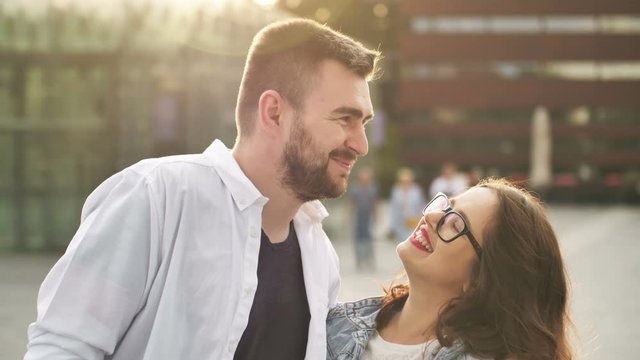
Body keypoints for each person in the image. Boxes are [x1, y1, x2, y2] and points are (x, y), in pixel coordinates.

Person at [25, 19, 380, 360]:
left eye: (363, 123)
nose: (361, 145)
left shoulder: (321, 257)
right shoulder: (155, 198)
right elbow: (62, 347)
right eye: (344, 118)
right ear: (274, 112)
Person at [327, 178, 573, 360]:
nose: (432, 217)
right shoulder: (334, 324)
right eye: (446, 206)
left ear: (482, 279)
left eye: (455, 224)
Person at [348, 166, 378, 271]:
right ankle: (359, 260)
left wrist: (376, 216)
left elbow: (374, 203)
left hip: (368, 215)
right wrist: (348, 216)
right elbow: (351, 203)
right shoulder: (355, 189)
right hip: (359, 215)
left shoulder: (372, 189)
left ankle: (369, 259)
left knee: (369, 238)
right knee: (358, 239)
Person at [389, 167, 425, 243]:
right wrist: (392, 225)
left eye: (408, 181)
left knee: (413, 242)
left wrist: (421, 219)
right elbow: (393, 208)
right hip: (400, 222)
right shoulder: (396, 190)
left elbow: (421, 205)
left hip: (413, 221)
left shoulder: (416, 190)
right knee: (401, 244)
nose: (405, 183)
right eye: (403, 181)